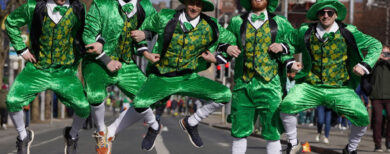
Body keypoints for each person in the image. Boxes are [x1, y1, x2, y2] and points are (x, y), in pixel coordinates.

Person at [279, 0, 382, 153]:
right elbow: (286, 44)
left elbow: (376, 45)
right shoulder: (305, 31)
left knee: (362, 117)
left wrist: (364, 65)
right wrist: (289, 62)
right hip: (311, 86)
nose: (325, 16)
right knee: (287, 105)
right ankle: (293, 143)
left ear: (336, 15)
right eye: (322, 12)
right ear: (317, 14)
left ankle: (351, 149)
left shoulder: (349, 32)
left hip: (340, 88)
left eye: (329, 12)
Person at [131, 0, 235, 150]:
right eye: (192, 3)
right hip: (163, 76)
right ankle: (154, 126)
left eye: (198, 5)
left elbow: (231, 42)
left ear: (203, 7)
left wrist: (219, 57)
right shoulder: (165, 17)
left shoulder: (210, 25)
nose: (194, 7)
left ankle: (191, 122)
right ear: (186, 3)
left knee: (225, 94)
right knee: (139, 102)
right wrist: (146, 50)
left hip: (188, 77)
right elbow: (141, 30)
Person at [5, 0, 91, 153]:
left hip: (64, 72)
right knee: (12, 100)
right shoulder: (33, 7)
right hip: (38, 69)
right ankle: (23, 136)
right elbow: (10, 22)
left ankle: (71, 135)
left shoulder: (78, 8)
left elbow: (87, 32)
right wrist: (22, 49)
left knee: (84, 107)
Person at [223, 0, 299, 153]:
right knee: (239, 131)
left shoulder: (280, 22)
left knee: (273, 132)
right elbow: (223, 41)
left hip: (270, 85)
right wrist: (227, 47)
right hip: (243, 83)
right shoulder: (237, 22)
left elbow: (296, 40)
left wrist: (283, 48)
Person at [82, 0, 158, 153]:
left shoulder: (145, 6)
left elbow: (159, 27)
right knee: (95, 95)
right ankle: (101, 131)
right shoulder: (101, 4)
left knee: (150, 96)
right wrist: (106, 59)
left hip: (126, 63)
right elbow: (88, 34)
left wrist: (146, 34)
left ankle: (112, 131)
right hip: (98, 61)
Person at [368, 45, 390, 152]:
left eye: (387, 53)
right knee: (378, 120)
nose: (385, 55)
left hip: (389, 97)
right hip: (376, 96)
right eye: (383, 53)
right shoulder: (375, 64)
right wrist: (377, 59)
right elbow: (367, 73)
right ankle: (378, 145)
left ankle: (389, 142)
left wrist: (388, 61)